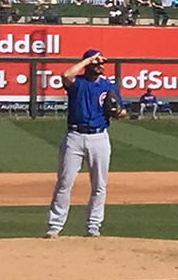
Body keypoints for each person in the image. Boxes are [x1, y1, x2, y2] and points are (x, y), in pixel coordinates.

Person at [41, 49, 122, 238]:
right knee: (65, 182)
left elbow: (121, 110)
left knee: (99, 185)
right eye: (96, 63)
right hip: (75, 136)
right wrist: (88, 60)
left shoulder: (108, 86)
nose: (100, 66)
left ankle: (94, 226)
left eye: (101, 63)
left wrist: (117, 112)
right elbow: (65, 75)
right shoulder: (77, 83)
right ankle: (55, 226)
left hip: (99, 137)